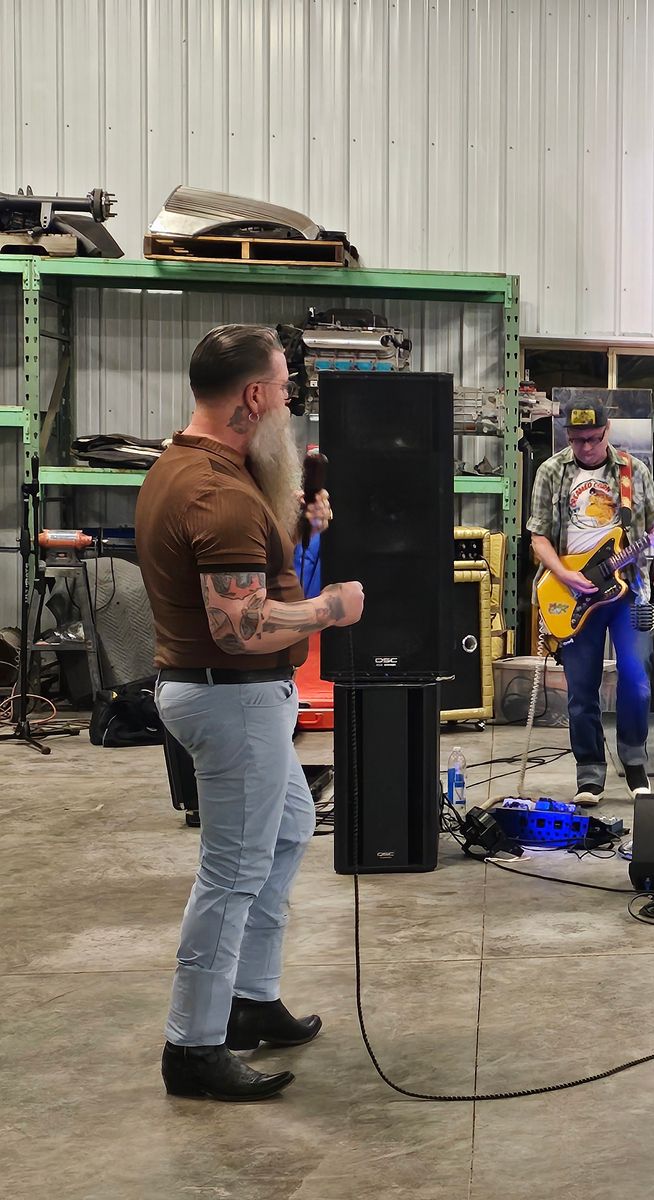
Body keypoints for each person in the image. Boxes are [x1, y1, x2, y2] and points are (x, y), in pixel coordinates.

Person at [137, 324, 366, 1102]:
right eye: (286, 390)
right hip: (230, 697)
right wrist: (333, 607)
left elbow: (244, 576)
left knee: (291, 827)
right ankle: (193, 1046)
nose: (290, 405)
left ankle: (250, 998)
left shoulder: (193, 466)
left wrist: (297, 529)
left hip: (227, 694)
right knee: (232, 871)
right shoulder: (219, 494)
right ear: (256, 395)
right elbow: (241, 626)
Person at [528, 399, 654, 805]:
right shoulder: (551, 471)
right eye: (577, 440)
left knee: (636, 679)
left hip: (627, 590)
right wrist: (564, 574)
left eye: (593, 439)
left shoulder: (633, 471)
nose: (585, 448)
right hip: (572, 592)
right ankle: (589, 773)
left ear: (608, 432)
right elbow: (538, 537)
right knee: (581, 688)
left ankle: (634, 762)